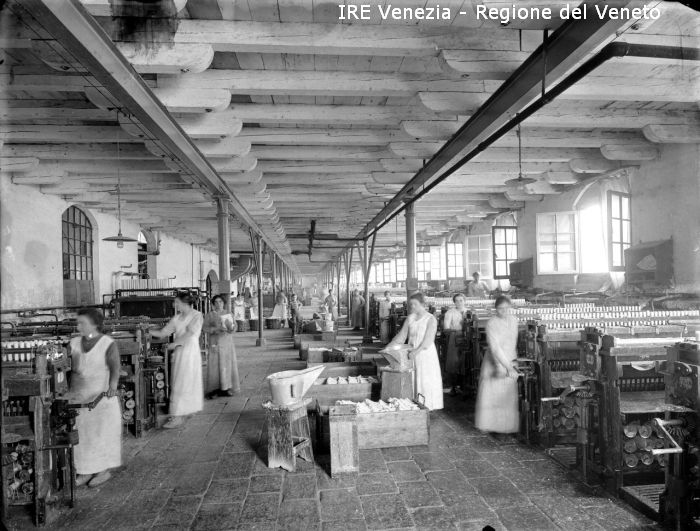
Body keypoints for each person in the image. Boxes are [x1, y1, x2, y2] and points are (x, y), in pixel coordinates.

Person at [68, 308, 121, 487]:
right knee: (82, 435)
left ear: (95, 324)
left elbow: (115, 368)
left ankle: (102, 471)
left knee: (100, 435)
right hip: (80, 398)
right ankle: (85, 471)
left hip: (101, 398)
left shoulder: (107, 343)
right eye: (78, 323)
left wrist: (112, 387)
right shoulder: (74, 343)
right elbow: (67, 367)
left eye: (82, 323)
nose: (78, 326)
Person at [149, 292, 204, 429]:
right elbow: (163, 333)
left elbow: (190, 333)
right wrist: (146, 330)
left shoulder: (197, 315)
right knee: (178, 382)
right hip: (179, 352)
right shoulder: (177, 318)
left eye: (177, 302)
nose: (175, 305)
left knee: (186, 382)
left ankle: (179, 415)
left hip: (190, 352)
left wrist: (174, 344)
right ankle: (183, 412)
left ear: (185, 303)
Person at [386, 292, 443, 411]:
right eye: (411, 304)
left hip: (425, 353)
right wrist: (388, 347)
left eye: (415, 304)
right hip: (411, 352)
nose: (412, 307)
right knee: (412, 378)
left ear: (423, 304)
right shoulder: (410, 318)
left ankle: (428, 405)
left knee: (424, 378)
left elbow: (428, 340)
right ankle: (413, 406)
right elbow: (402, 336)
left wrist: (416, 352)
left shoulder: (431, 319)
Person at [475, 296, 520, 435]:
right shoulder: (492, 323)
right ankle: (492, 426)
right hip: (494, 361)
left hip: (511, 358)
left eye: (506, 308)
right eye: (500, 309)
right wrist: (506, 366)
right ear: (496, 309)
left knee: (507, 395)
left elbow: (513, 342)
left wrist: (512, 364)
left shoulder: (514, 320)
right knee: (493, 395)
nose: (504, 311)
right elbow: (495, 348)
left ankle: (506, 427)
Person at [203, 294, 240, 399]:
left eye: (220, 302)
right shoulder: (209, 315)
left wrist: (231, 328)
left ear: (224, 303)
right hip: (215, 343)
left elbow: (235, 326)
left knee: (227, 365)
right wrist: (215, 329)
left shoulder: (229, 314)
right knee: (214, 367)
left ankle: (226, 388)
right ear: (213, 304)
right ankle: (214, 389)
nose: (218, 304)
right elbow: (204, 328)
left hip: (227, 343)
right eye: (216, 302)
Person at [442, 293, 469, 395]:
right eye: (456, 301)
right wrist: (457, 331)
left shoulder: (469, 312)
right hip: (454, 339)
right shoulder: (450, 313)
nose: (459, 302)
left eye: (461, 300)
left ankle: (464, 385)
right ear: (454, 302)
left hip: (467, 338)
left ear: (464, 301)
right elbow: (446, 329)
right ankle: (453, 387)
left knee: (466, 362)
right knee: (454, 362)